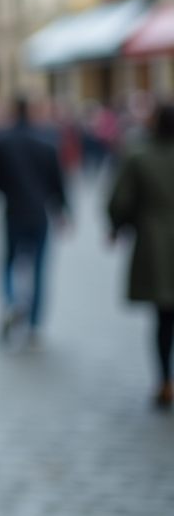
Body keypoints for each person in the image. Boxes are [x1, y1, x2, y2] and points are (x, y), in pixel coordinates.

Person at [0, 97, 69, 345]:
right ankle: (35, 326)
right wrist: (64, 212)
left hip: (13, 213)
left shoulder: (1, 142)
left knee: (9, 263)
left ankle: (12, 302)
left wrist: (8, 190)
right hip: (40, 215)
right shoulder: (47, 143)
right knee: (39, 270)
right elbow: (58, 182)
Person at [107, 102, 174, 408]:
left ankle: (164, 380)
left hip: (156, 244)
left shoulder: (139, 156)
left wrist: (116, 226)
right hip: (156, 238)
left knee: (164, 317)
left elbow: (121, 200)